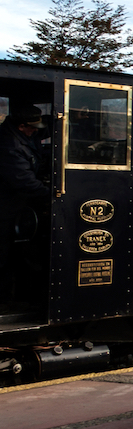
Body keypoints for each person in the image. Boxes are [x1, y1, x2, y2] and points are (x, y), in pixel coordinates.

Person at [0, 106, 50, 300]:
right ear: (22, 126)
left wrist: (74, 114)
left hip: (16, 202)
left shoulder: (23, 133)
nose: (37, 131)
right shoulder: (9, 146)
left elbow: (44, 127)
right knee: (4, 252)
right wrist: (55, 196)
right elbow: (26, 183)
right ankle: (4, 299)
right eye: (33, 127)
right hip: (6, 204)